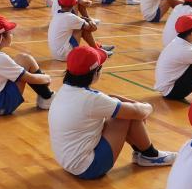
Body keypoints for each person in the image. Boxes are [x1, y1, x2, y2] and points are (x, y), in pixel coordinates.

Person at [49, 45, 175, 179]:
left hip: (69, 162)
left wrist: (131, 105)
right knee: (125, 115)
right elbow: (138, 112)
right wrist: (148, 106)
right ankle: (150, 155)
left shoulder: (65, 90)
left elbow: (110, 101)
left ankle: (147, 154)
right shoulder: (91, 99)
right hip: (88, 168)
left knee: (123, 109)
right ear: (96, 72)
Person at [0, 16, 54, 115]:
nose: (12, 34)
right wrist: (47, 78)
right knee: (26, 60)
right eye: (10, 32)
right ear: (1, 38)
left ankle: (46, 98)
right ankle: (47, 97)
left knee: (21, 58)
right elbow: (30, 78)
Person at [48, 0, 114, 61]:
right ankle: (98, 50)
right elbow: (93, 28)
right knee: (82, 28)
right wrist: (89, 20)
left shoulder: (57, 14)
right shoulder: (71, 17)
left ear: (59, 3)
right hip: (65, 54)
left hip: (56, 54)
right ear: (74, 3)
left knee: (80, 25)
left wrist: (82, 21)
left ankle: (98, 47)